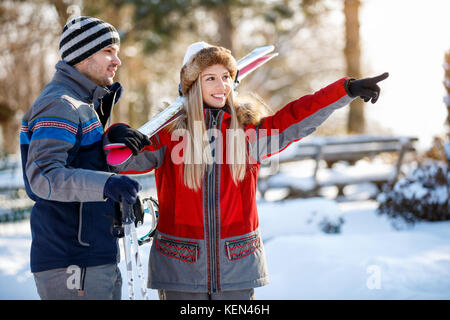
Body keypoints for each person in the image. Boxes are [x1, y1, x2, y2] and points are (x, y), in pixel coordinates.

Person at [105, 42, 389, 300]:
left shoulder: (249, 134)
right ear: (192, 85)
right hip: (180, 269)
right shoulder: (167, 136)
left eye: (227, 77)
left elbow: (296, 117)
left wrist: (344, 90)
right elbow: (119, 162)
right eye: (211, 78)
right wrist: (117, 134)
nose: (222, 85)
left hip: (237, 266)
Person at [20, 16, 144, 300]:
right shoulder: (61, 104)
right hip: (71, 259)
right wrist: (107, 184)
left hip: (95, 253)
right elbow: (44, 176)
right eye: (108, 51)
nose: (117, 61)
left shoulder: (84, 103)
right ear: (84, 56)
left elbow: (81, 160)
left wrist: (111, 139)